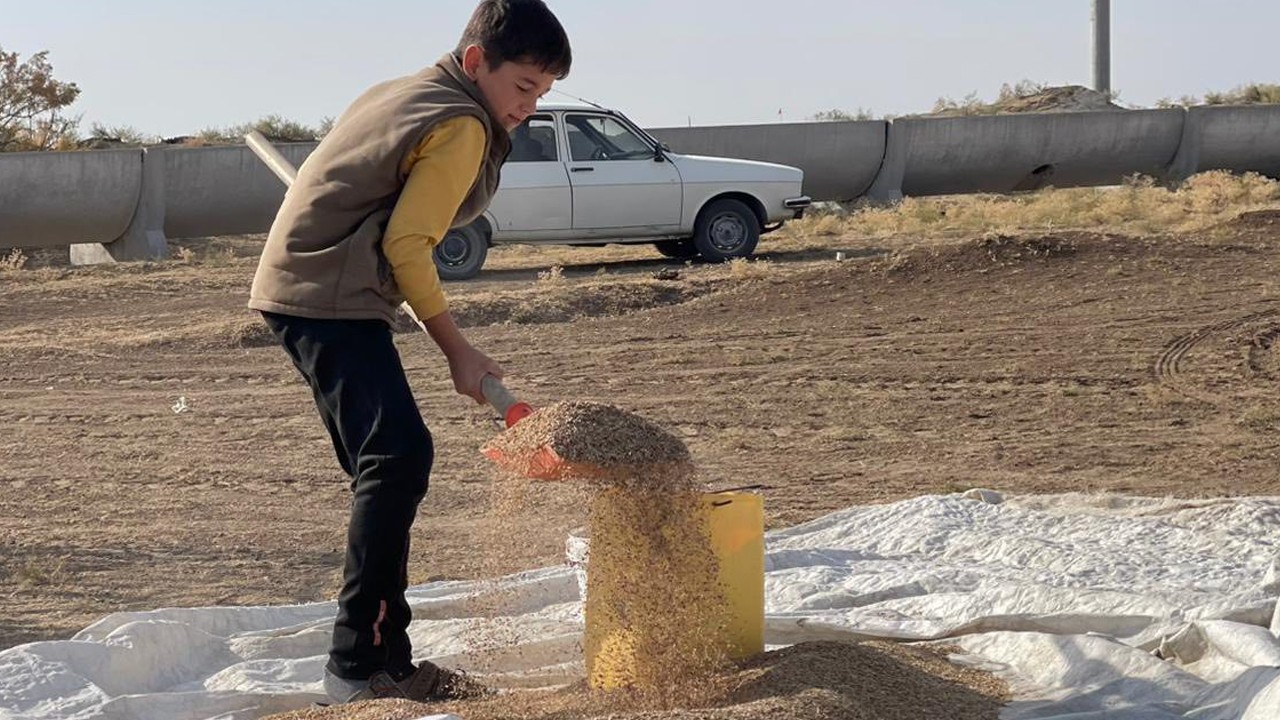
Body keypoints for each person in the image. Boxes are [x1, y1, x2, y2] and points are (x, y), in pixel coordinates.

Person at [246, 0, 570, 704]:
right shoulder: (456, 125)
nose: (530, 106)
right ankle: (358, 666)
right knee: (396, 459)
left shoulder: (402, 90)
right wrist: (459, 350)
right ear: (477, 60)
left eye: (544, 94)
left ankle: (383, 658)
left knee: (385, 467)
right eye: (523, 87)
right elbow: (406, 246)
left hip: (306, 284)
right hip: (327, 293)